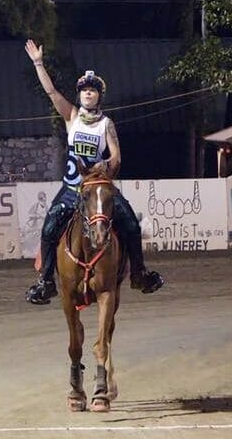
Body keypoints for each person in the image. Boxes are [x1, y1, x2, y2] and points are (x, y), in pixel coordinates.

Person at [24, 38, 164, 305]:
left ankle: (139, 274)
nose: (88, 93)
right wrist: (38, 63)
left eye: (93, 90)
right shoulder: (72, 117)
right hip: (71, 190)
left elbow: (116, 156)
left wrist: (106, 165)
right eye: (84, 90)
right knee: (49, 228)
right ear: (79, 95)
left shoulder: (106, 124)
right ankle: (46, 282)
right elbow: (52, 93)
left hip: (98, 188)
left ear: (100, 95)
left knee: (131, 225)